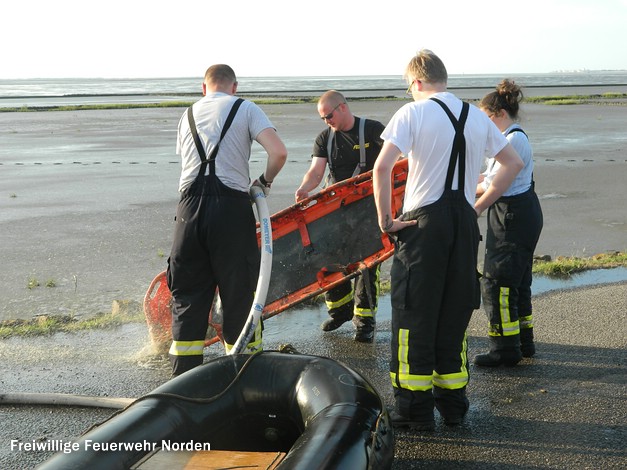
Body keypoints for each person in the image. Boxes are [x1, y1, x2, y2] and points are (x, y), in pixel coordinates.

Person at [372, 49, 524, 430]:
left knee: (413, 315)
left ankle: (413, 411)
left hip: (422, 227)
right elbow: (512, 164)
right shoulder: (475, 114)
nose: (410, 92)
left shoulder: (412, 112)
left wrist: (386, 221)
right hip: (462, 224)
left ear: (417, 82)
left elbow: (382, 166)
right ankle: (454, 407)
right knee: (453, 312)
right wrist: (480, 205)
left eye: (409, 87)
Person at [167, 64, 287, 377]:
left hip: (189, 212)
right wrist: (264, 181)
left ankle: (183, 388)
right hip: (231, 210)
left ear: (202, 88)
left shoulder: (188, 114)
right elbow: (279, 153)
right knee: (240, 297)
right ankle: (243, 379)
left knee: (188, 298)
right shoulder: (245, 108)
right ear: (234, 86)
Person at [295, 90, 385, 343]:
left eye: (329, 116)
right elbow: (316, 171)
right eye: (322, 118)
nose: (326, 122)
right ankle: (340, 312)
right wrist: (305, 188)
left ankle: (364, 322)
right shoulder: (325, 138)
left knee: (367, 266)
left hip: (369, 210)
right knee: (330, 261)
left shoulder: (373, 130)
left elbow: (394, 159)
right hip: (335, 211)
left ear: (343, 107)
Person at [474, 80, 544, 366]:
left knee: (498, 283)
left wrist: (472, 208)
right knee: (519, 281)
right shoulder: (511, 138)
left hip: (512, 218)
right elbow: (486, 178)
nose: (484, 127)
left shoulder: (513, 140)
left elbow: (493, 185)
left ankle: (504, 351)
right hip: (521, 214)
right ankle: (524, 342)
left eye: (485, 119)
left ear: (499, 114)